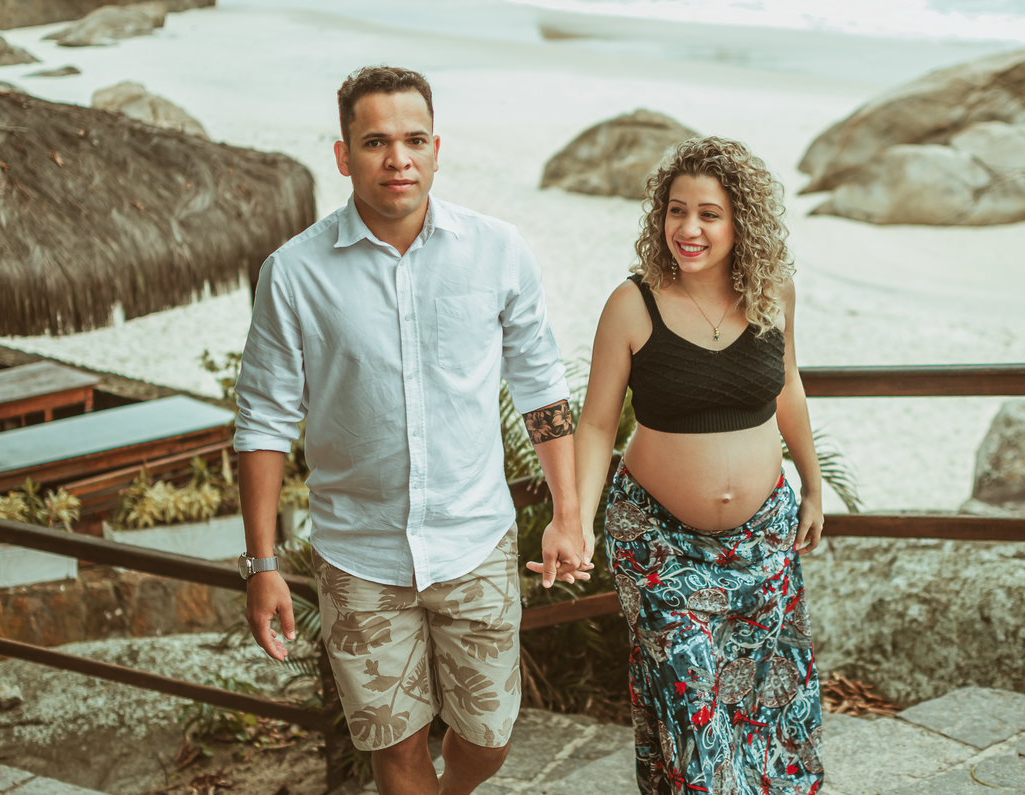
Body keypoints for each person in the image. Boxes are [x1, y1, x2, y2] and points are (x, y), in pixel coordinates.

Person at [233, 66, 588, 795]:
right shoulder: (292, 273)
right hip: (358, 555)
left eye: (414, 140)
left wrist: (568, 511)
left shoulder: (498, 250)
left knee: (488, 738)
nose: (398, 158)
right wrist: (261, 563)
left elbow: (541, 387)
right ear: (344, 156)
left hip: (475, 541)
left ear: (436, 149)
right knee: (394, 750)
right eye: (376, 142)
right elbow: (264, 420)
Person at [572, 137, 825, 795]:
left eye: (709, 214)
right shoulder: (632, 304)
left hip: (763, 539)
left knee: (756, 708)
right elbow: (596, 424)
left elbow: (789, 387)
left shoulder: (773, 293)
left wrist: (813, 485)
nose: (688, 229)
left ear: (742, 222)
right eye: (676, 210)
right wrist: (577, 521)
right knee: (694, 713)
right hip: (659, 546)